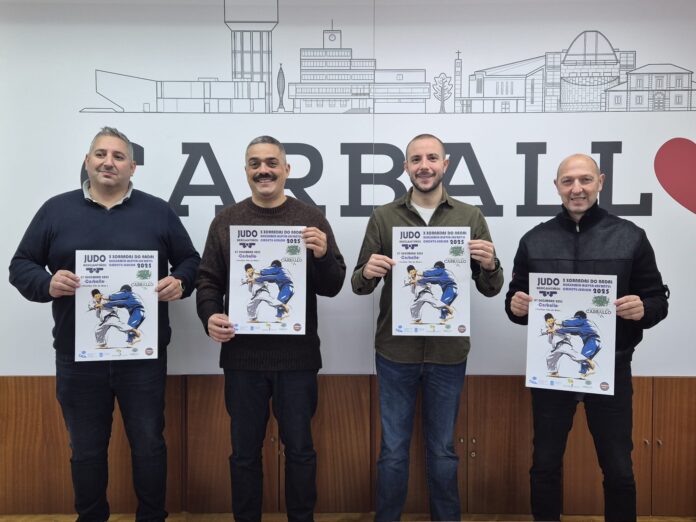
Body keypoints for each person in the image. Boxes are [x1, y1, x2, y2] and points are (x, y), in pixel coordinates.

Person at [9, 126, 200, 522]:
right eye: (100, 154)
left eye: (118, 156)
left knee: (149, 445)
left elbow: (191, 261)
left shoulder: (158, 211)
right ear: (87, 161)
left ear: (132, 167)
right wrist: (47, 283)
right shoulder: (55, 210)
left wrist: (181, 281)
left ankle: (153, 517)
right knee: (86, 450)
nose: (108, 162)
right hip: (78, 357)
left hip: (143, 357)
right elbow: (20, 265)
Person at [505, 153, 669, 522]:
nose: (576, 189)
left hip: (611, 368)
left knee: (618, 468)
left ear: (600, 182)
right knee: (544, 464)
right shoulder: (534, 240)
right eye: (568, 181)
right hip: (552, 376)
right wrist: (516, 306)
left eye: (585, 180)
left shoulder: (630, 236)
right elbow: (516, 302)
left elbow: (657, 300)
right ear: (557, 186)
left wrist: (644, 308)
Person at [351, 133, 503, 521]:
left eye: (432, 158)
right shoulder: (383, 216)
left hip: (448, 355)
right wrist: (367, 272)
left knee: (443, 451)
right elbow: (358, 284)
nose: (424, 166)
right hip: (395, 353)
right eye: (416, 159)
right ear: (406, 167)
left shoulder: (470, 217)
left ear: (445, 164)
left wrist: (490, 265)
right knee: (393, 451)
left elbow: (491, 288)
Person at [196, 135, 346, 522]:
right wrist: (210, 314)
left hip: (297, 359)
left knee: (300, 451)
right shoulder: (226, 221)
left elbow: (332, 285)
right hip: (242, 358)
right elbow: (208, 279)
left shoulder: (311, 219)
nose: (263, 170)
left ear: (286, 169)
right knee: (244, 454)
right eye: (255, 164)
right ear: (246, 171)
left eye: (271, 163)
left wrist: (323, 254)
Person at [542, 312, 596, 378]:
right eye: (548, 321)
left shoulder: (558, 325)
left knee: (574, 355)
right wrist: (549, 332)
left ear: (553, 319)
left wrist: (555, 330)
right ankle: (554, 372)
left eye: (551, 320)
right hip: (557, 347)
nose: (550, 322)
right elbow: (550, 341)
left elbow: (565, 331)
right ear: (546, 322)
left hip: (564, 343)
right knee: (550, 357)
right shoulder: (549, 329)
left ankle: (588, 361)